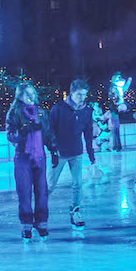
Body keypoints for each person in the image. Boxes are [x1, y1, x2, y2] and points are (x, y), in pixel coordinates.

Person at [6, 83, 59, 240]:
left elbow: (48, 133)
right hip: (23, 157)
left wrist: (53, 150)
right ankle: (26, 225)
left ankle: (42, 223)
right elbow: (10, 135)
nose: (31, 97)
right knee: (24, 192)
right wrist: (23, 130)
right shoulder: (14, 113)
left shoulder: (41, 113)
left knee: (42, 192)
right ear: (20, 96)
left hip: (40, 157)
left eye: (33, 94)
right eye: (27, 94)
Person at [49, 79, 96, 228]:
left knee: (78, 184)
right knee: (50, 185)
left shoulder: (87, 111)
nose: (82, 98)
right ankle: (39, 210)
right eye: (79, 94)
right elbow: (50, 131)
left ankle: (75, 211)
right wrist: (53, 151)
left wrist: (91, 154)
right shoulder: (58, 109)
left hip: (76, 152)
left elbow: (88, 134)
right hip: (60, 153)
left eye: (84, 95)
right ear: (71, 92)